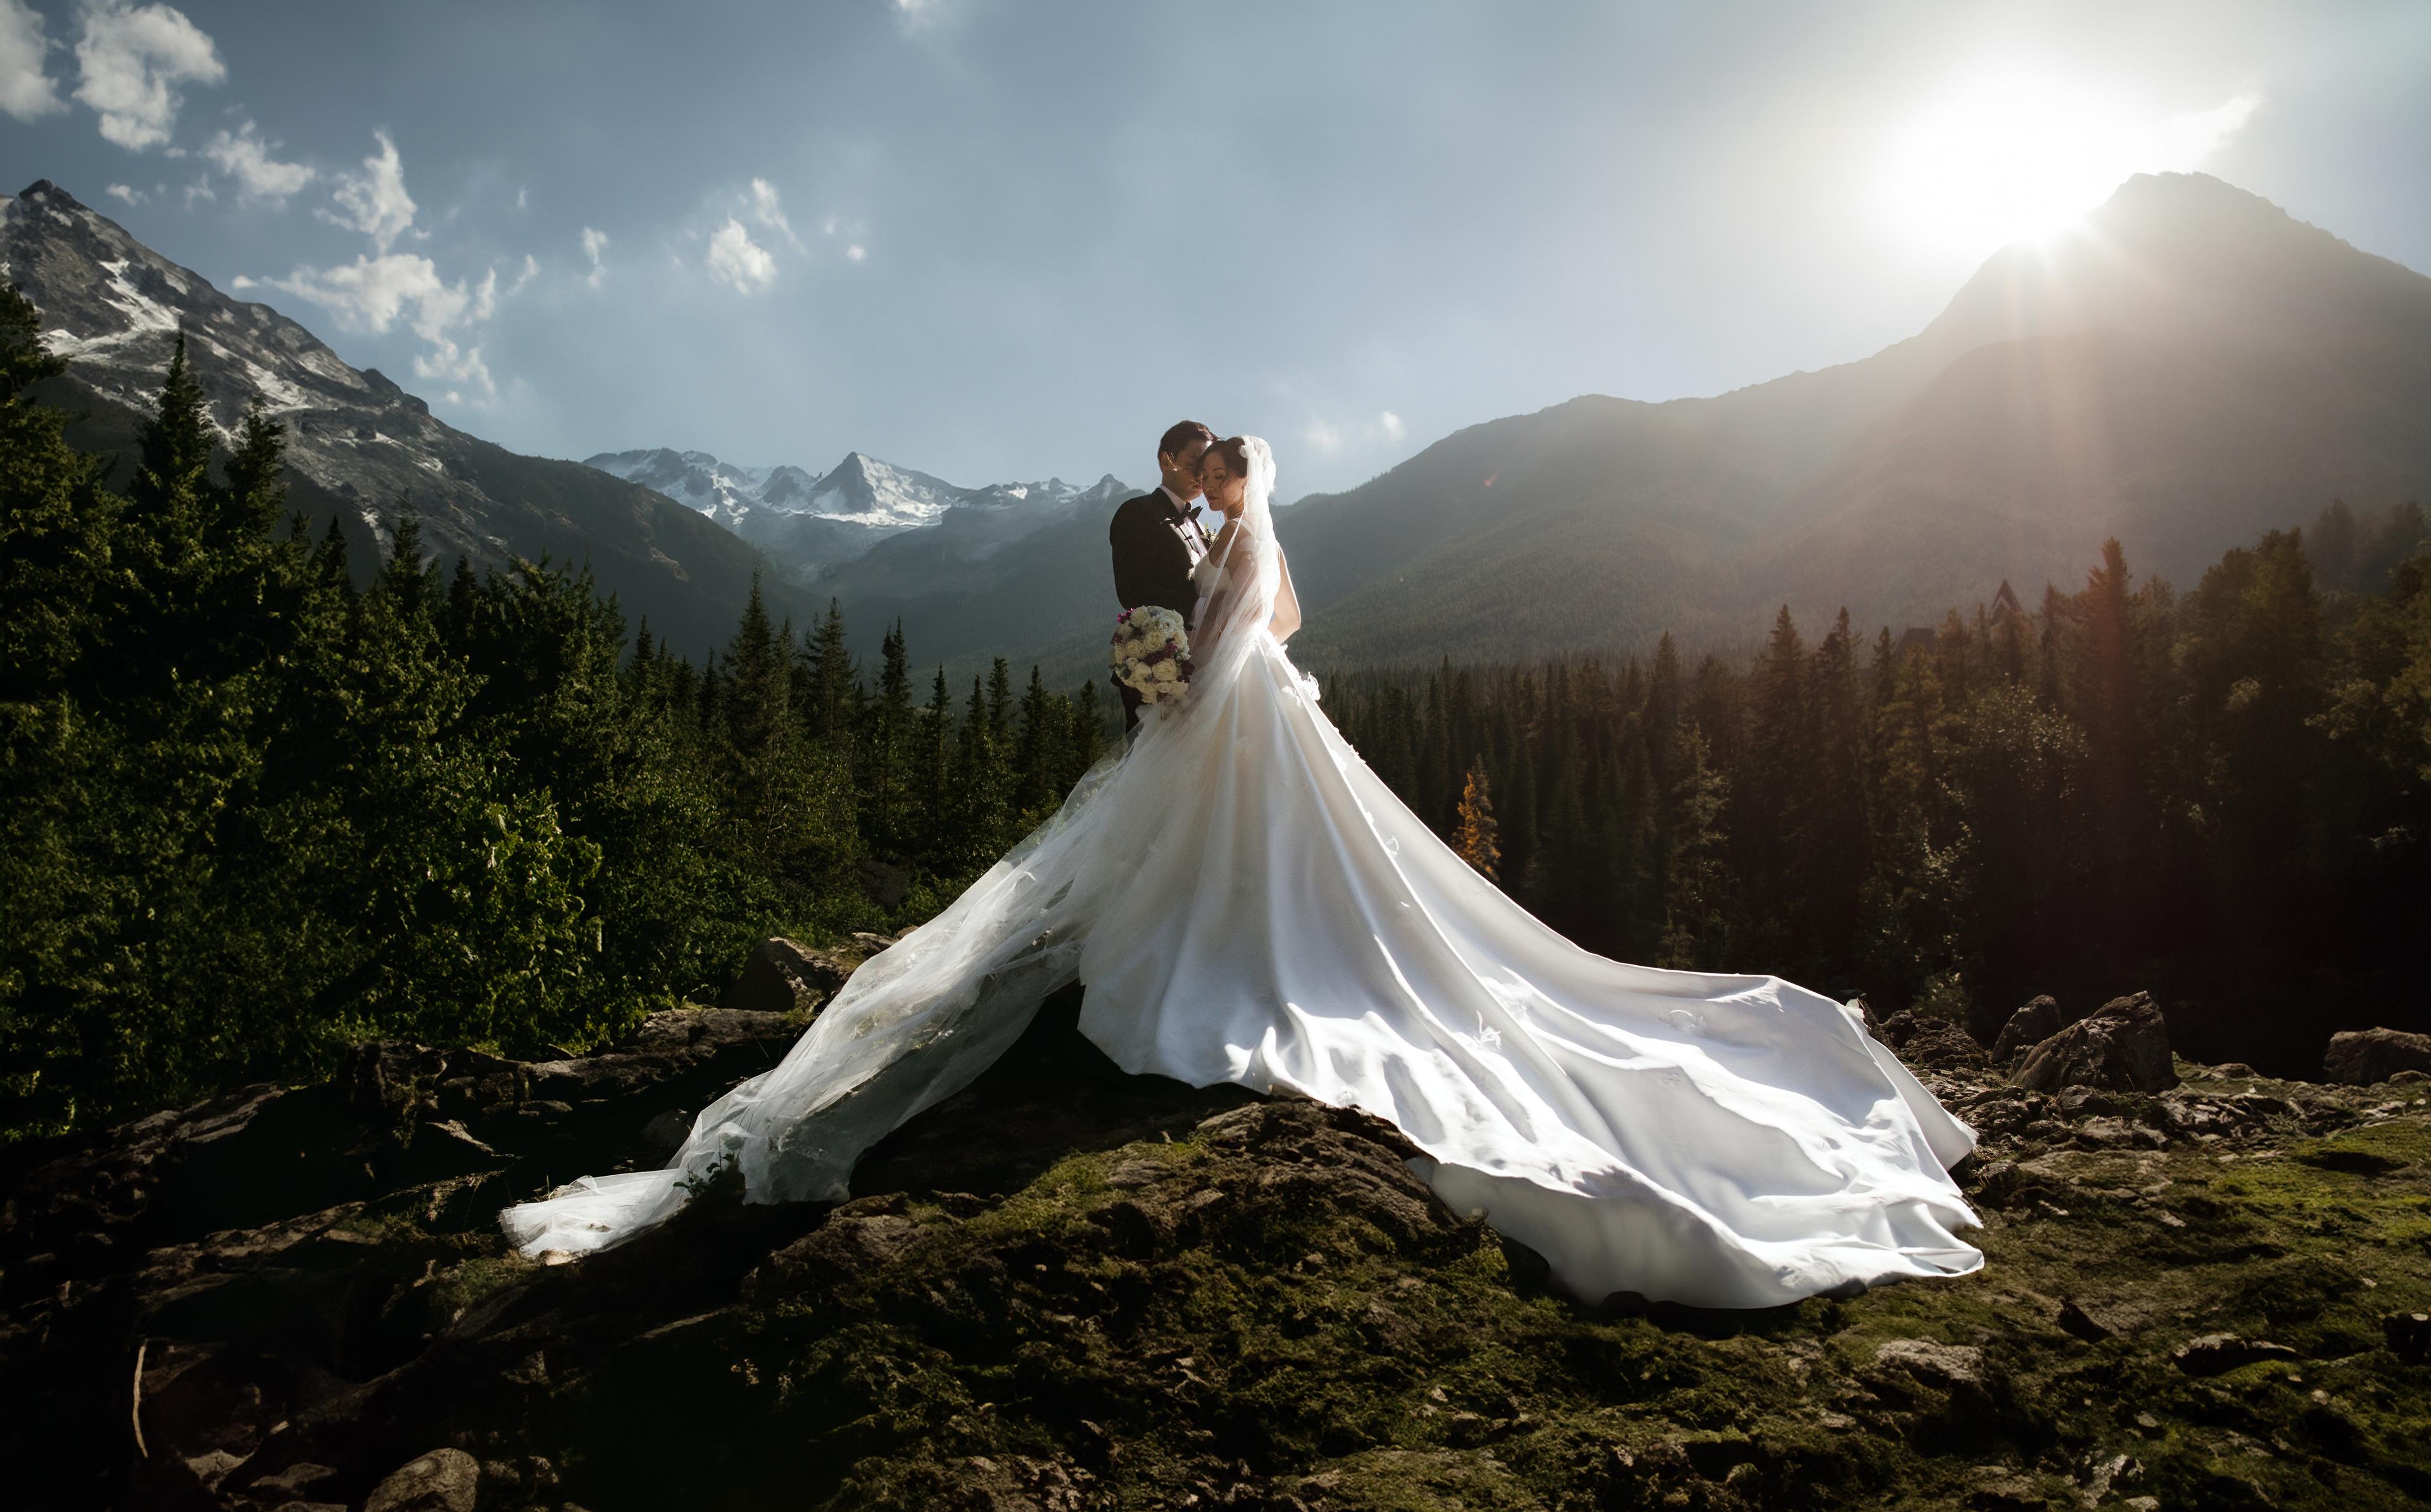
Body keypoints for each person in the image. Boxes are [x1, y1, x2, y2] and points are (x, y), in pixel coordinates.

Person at [504, 435, 1982, 1310]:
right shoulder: (1224, 533)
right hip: (1251, 708)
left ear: (1229, 476)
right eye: (1201, 472)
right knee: (1274, 859)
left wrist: (1185, 679)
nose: (1206, 486)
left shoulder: (1226, 536)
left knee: (1243, 869)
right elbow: (1258, 616)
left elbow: (1230, 629)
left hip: (1238, 711)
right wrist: (1201, 663)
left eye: (1215, 471)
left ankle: (1235, 960)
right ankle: (1239, 945)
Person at [1107, 420, 1212, 737]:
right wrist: (1204, 607)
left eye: (1206, 468)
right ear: (1168, 460)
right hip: (1153, 669)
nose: (1202, 476)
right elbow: (1132, 589)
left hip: (1203, 664)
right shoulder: (1137, 512)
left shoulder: (1201, 526)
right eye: (1194, 464)